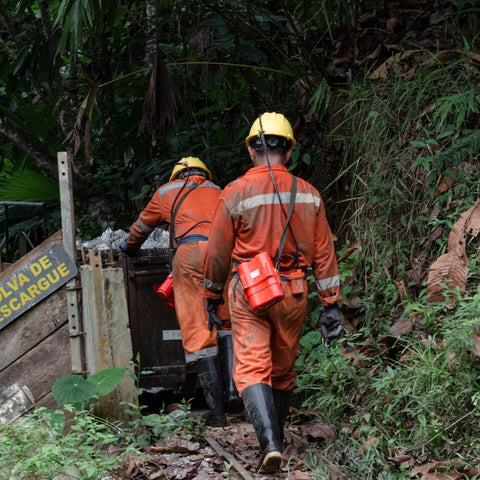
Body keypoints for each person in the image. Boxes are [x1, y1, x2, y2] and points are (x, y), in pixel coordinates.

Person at [202, 112, 343, 473]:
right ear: (289, 152)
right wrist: (331, 305)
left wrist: (211, 294)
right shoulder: (310, 195)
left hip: (250, 290)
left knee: (251, 368)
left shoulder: (235, 192)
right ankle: (275, 439)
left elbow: (218, 251)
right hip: (294, 290)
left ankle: (269, 445)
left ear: (252, 149)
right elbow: (325, 252)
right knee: (282, 371)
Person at [120, 156, 241, 427]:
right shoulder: (220, 191)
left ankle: (217, 411)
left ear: (177, 176)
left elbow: (142, 227)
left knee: (198, 329)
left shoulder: (166, 191)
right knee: (227, 322)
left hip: (191, 256)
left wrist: (129, 247)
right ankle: (234, 392)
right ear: (205, 174)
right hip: (225, 254)